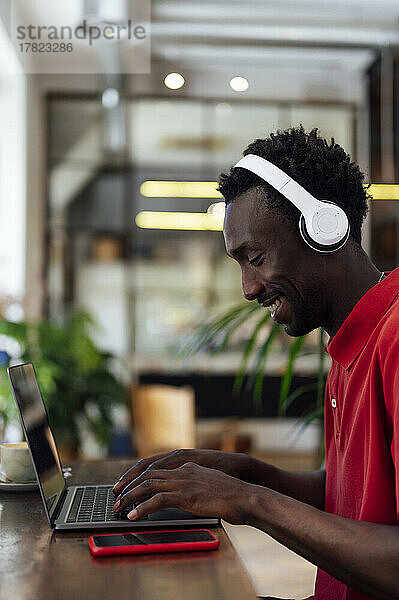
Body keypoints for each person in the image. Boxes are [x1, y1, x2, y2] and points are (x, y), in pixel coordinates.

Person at [112, 126, 399, 600]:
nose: (248, 288)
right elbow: (351, 499)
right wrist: (242, 472)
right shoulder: (353, 341)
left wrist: (248, 501)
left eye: (256, 257)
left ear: (324, 229)